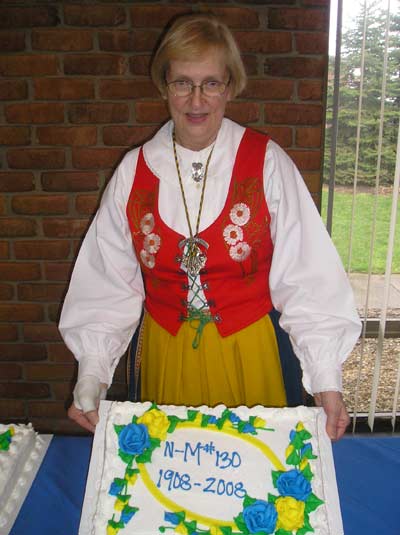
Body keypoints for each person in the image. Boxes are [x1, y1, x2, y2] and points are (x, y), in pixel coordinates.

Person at [59, 13, 361, 440]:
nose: (196, 100)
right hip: (167, 356)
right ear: (164, 86)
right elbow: (108, 281)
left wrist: (326, 379)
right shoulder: (134, 171)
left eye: (211, 83)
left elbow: (308, 275)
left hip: (251, 353)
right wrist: (92, 372)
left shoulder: (266, 162)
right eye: (183, 82)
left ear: (230, 86)